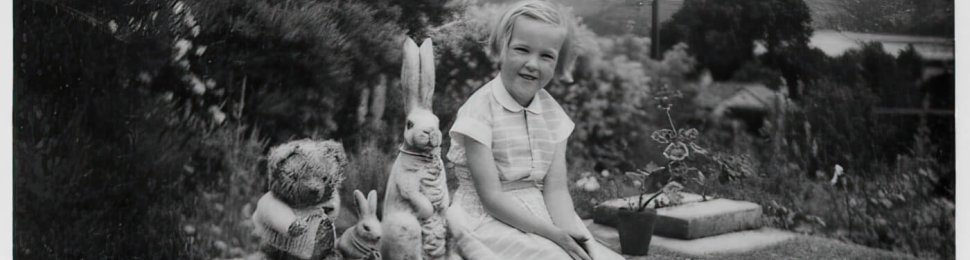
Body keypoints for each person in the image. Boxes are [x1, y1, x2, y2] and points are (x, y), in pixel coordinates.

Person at [445, 1, 625, 259]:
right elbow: (492, 198)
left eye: (546, 56)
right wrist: (553, 236)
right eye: (522, 49)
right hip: (489, 218)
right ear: (502, 49)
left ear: (556, 62)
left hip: (540, 214)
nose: (533, 64)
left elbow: (556, 189)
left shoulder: (553, 116)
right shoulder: (480, 110)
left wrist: (566, 234)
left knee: (591, 256)